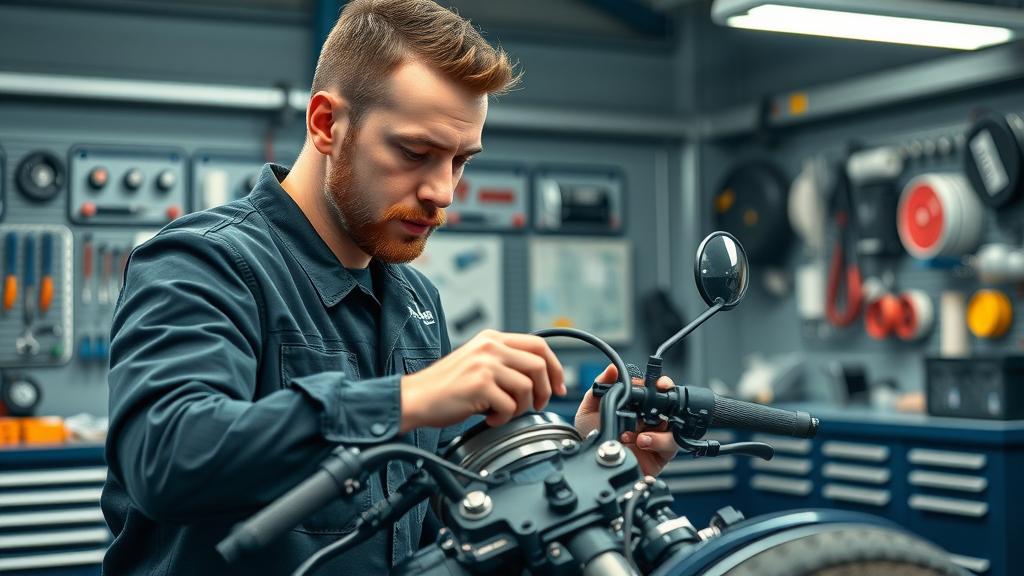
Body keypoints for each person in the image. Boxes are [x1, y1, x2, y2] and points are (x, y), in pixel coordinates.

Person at [100, 1, 678, 574]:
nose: (444, 192)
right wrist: (407, 400)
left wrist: (581, 464)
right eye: (415, 153)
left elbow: (452, 519)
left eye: (459, 161)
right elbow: (166, 457)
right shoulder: (204, 261)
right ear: (326, 124)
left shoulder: (415, 301)